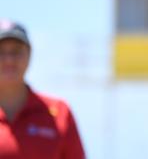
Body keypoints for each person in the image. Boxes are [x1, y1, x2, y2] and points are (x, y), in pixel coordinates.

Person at [0, 19, 85, 159]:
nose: (9, 60)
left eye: (16, 51)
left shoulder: (59, 112)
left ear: (29, 54)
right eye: (1, 52)